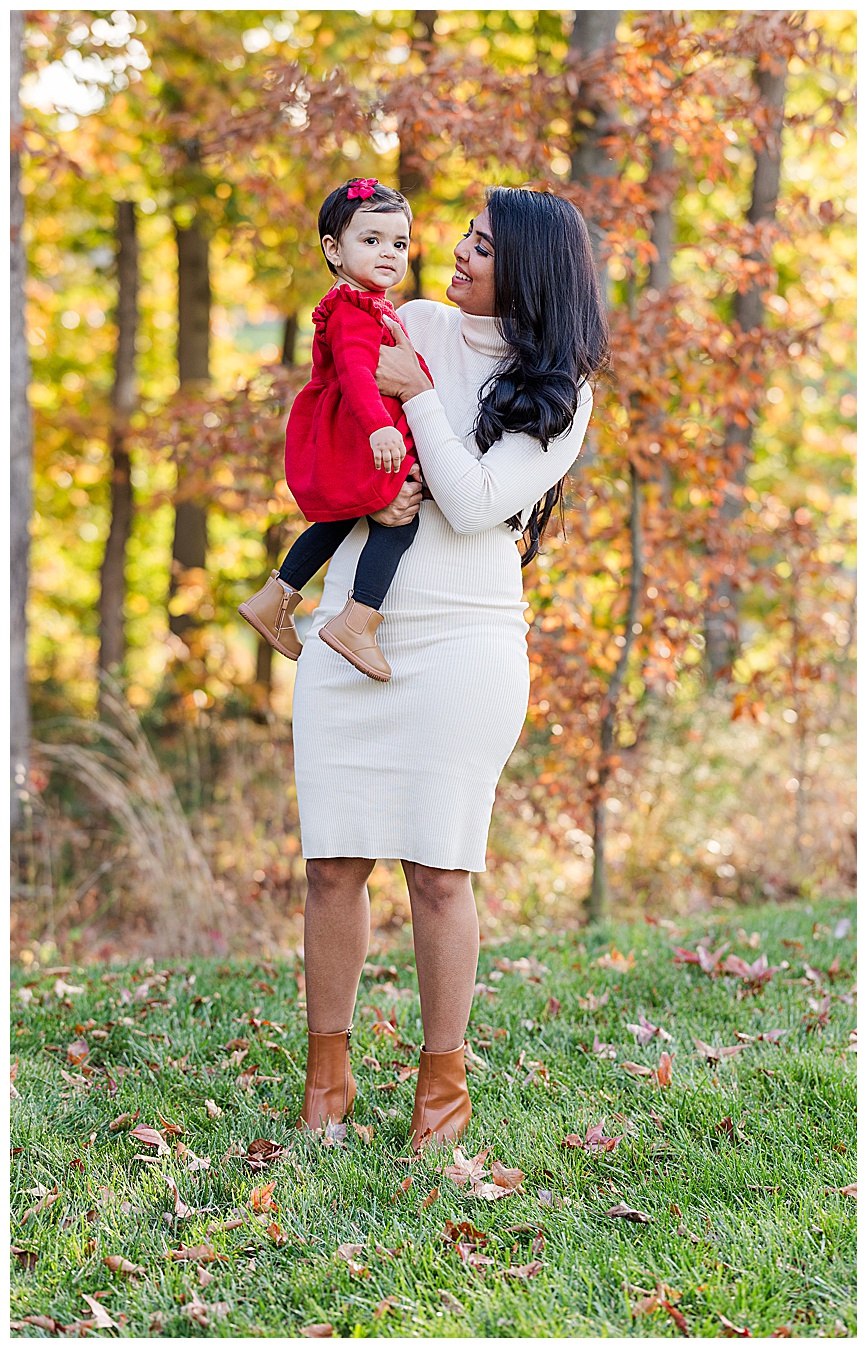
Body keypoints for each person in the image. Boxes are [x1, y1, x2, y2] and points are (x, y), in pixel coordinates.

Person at [293, 188, 607, 1151]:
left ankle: (440, 1103)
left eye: (480, 245)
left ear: (530, 266)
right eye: (462, 239)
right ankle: (327, 1092)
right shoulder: (414, 320)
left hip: (467, 640)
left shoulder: (562, 391)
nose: (457, 255)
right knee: (333, 865)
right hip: (358, 618)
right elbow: (338, 430)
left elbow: (473, 506)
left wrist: (417, 396)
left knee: (439, 872)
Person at [238, 177, 432, 682]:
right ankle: (357, 621)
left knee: (341, 517)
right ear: (334, 249)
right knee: (400, 517)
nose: (388, 253)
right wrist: (377, 429)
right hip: (356, 430)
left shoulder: (369, 303)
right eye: (371, 241)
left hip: (358, 429)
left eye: (399, 243)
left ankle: (275, 597)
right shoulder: (351, 308)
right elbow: (354, 373)